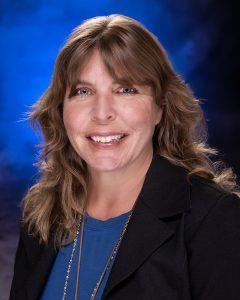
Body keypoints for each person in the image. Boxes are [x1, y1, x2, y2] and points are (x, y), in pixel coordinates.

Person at [10, 14, 240, 300]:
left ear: (160, 107)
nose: (102, 112)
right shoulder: (42, 215)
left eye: (125, 90)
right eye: (83, 91)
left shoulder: (213, 218)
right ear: (60, 110)